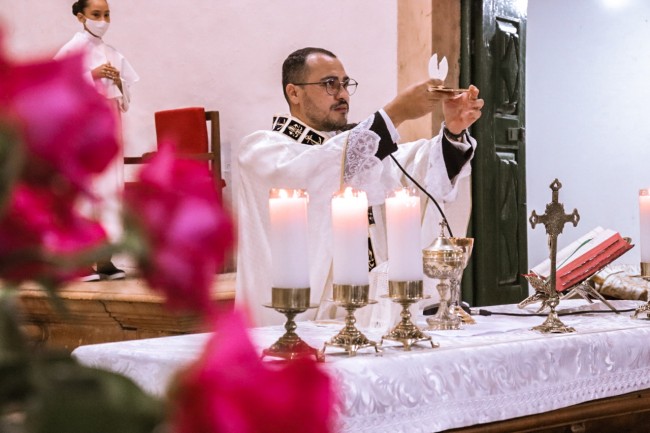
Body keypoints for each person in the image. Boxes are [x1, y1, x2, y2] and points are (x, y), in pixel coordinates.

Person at [236, 47, 483, 327]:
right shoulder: (262, 151)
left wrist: (453, 131)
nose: (342, 94)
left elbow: (416, 171)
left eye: (345, 84)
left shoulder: (359, 154)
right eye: (330, 84)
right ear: (294, 93)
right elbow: (318, 169)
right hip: (301, 321)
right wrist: (396, 113)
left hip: (373, 315)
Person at [55, 0, 139, 281]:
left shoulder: (113, 52)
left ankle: (104, 259)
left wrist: (119, 82)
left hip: (108, 132)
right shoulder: (71, 50)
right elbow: (60, 87)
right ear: (81, 17)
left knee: (109, 192)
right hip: (84, 135)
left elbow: (123, 99)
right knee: (86, 194)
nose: (103, 20)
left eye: (106, 14)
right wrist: (92, 74)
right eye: (96, 14)